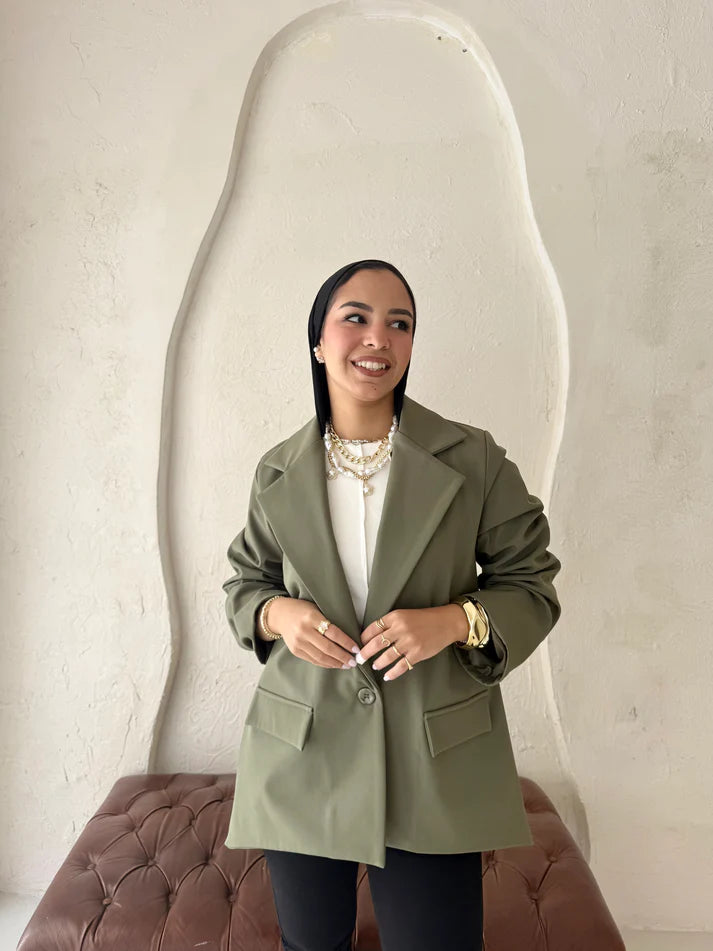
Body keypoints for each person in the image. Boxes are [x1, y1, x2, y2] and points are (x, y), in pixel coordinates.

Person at [221, 259, 562, 951]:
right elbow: (246, 583)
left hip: (434, 753)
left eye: (398, 323)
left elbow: (531, 582)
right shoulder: (277, 470)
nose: (378, 337)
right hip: (299, 749)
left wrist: (454, 620)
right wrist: (278, 615)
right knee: (310, 944)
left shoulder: (473, 460)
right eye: (356, 317)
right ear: (318, 341)